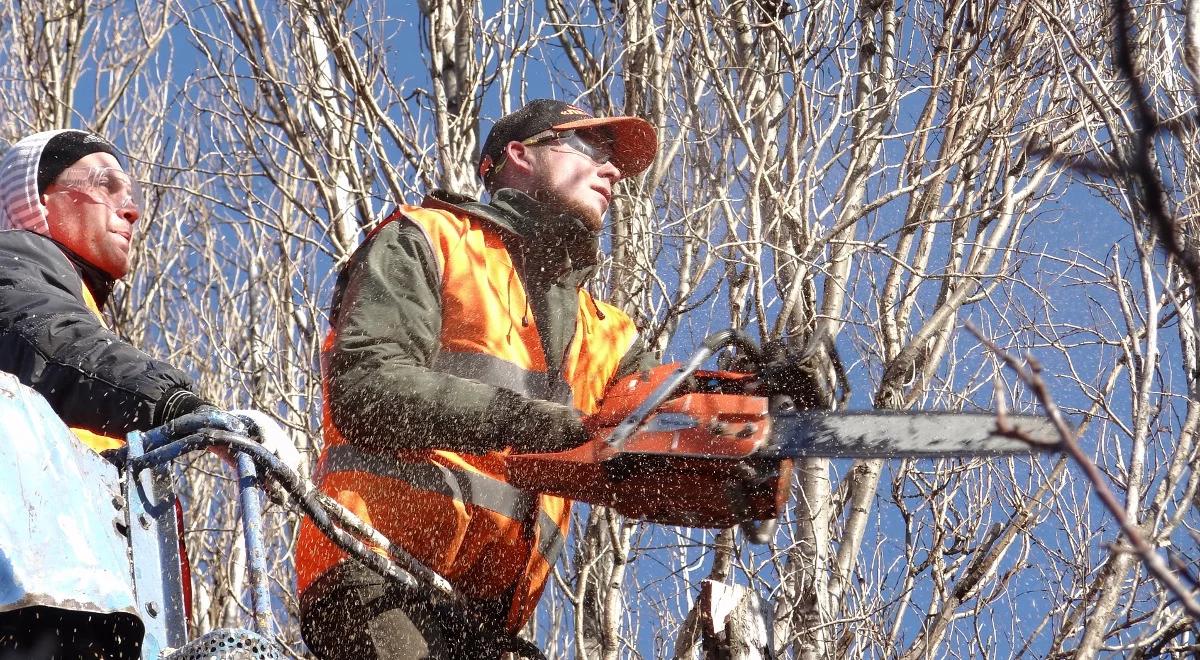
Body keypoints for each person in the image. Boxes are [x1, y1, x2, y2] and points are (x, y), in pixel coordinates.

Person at [296, 99, 660, 659]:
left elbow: (663, 426)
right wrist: (520, 419)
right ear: (520, 154)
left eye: (613, 159)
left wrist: (759, 395)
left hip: (483, 623)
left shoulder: (604, 332)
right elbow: (366, 391)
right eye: (589, 148)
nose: (611, 170)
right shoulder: (430, 239)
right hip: (375, 568)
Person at [0, 129, 213, 451]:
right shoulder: (11, 261)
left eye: (130, 194)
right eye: (105, 185)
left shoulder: (74, 299)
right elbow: (48, 340)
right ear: (38, 199)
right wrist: (175, 403)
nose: (131, 211)